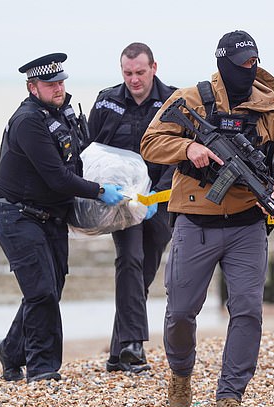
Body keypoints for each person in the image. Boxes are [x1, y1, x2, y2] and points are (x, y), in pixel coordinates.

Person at [141, 30, 274, 407]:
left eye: (254, 62)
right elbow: (150, 142)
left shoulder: (270, 111)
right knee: (181, 311)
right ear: (223, 64)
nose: (249, 70)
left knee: (248, 309)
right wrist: (189, 147)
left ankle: (230, 393)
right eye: (242, 64)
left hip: (248, 224)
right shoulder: (190, 100)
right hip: (195, 222)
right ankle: (181, 373)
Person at [0, 53, 124, 383]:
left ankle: (10, 349)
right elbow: (58, 178)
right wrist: (100, 191)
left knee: (51, 288)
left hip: (50, 215)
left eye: (61, 82)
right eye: (50, 84)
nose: (58, 88)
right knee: (41, 292)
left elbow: (83, 158)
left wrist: (127, 190)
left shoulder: (62, 115)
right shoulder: (29, 122)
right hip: (16, 214)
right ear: (33, 87)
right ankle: (42, 368)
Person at [88, 43, 177, 374]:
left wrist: (158, 195)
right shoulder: (106, 100)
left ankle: (117, 353)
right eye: (128, 73)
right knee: (129, 260)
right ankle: (133, 347)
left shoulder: (173, 101)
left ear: (154, 66)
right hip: (122, 204)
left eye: (140, 72)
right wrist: (96, 193)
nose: (134, 79)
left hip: (157, 202)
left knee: (142, 274)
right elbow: (91, 150)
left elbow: (180, 152)